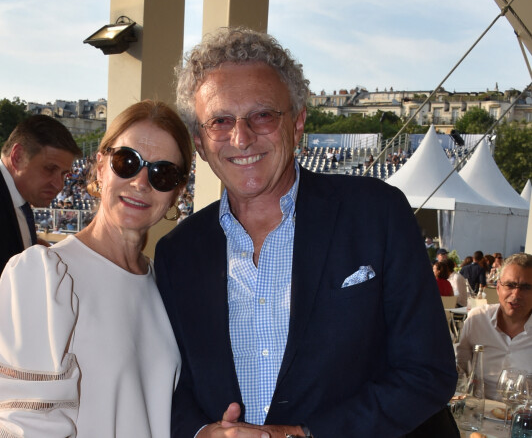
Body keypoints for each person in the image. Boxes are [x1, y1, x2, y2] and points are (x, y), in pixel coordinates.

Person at [155, 27, 457, 438]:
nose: (241, 138)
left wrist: (305, 435)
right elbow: (170, 384)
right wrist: (201, 431)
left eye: (262, 115)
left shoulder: (375, 213)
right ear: (201, 143)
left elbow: (428, 372)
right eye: (220, 121)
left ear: (297, 124)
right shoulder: (178, 252)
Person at [0, 100, 191, 437]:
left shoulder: (168, 288)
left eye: (162, 173)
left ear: (177, 191)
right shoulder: (43, 276)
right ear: (101, 165)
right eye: (127, 162)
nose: (140, 182)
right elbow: (24, 427)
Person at [0, 114, 81, 437]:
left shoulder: (13, 202)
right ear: (17, 155)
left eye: (65, 173)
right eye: (50, 169)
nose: (59, 183)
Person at [456, 253, 532, 399]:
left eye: (526, 287)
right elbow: (461, 370)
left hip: (524, 417)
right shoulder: (477, 320)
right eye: (510, 285)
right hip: (478, 413)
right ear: (498, 288)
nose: (516, 294)